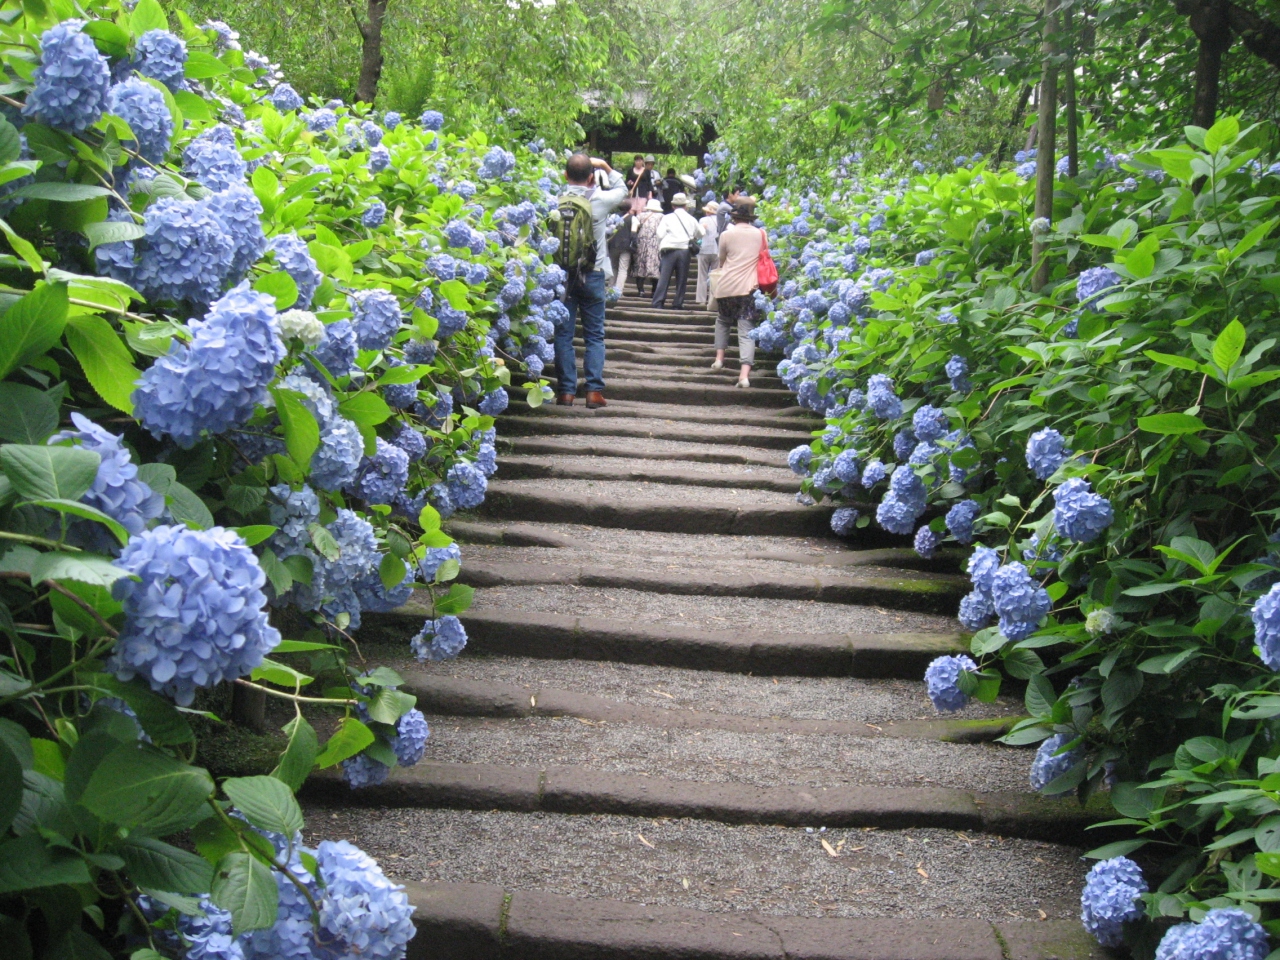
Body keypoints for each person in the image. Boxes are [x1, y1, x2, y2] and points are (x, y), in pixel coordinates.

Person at [553, 153, 628, 409]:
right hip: (593, 273)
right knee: (595, 335)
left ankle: (565, 392)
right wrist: (606, 166)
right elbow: (623, 189)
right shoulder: (600, 199)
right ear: (590, 177)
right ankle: (594, 392)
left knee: (563, 334)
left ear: (565, 176)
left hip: (562, 275)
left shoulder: (555, 200)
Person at [713, 201, 764, 388]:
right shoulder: (760, 234)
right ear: (751, 218)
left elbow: (722, 259)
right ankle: (744, 376)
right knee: (746, 330)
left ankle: (719, 358)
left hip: (726, 286)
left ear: (734, 217)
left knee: (723, 320)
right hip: (749, 288)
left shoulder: (727, 234)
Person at [651, 193, 703, 310]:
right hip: (684, 251)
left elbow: (659, 234)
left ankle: (658, 302)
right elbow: (701, 233)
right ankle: (677, 303)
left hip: (669, 250)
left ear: (673, 205)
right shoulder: (692, 219)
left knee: (664, 278)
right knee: (682, 279)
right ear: (686, 206)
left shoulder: (667, 218)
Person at [631, 198, 663, 297]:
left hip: (641, 244)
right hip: (655, 244)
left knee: (640, 266)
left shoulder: (640, 216)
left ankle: (641, 290)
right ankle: (654, 291)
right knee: (655, 267)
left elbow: (634, 227)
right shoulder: (662, 217)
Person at [695, 201, 719, 306]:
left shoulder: (702, 220)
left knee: (702, 275)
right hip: (716, 250)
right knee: (715, 276)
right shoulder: (721, 220)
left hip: (704, 250)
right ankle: (713, 300)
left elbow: (698, 235)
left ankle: (701, 300)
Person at [607, 209, 634, 294]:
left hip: (613, 245)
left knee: (613, 268)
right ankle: (618, 291)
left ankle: (610, 288)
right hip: (626, 247)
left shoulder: (612, 217)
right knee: (623, 269)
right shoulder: (632, 218)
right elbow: (634, 234)